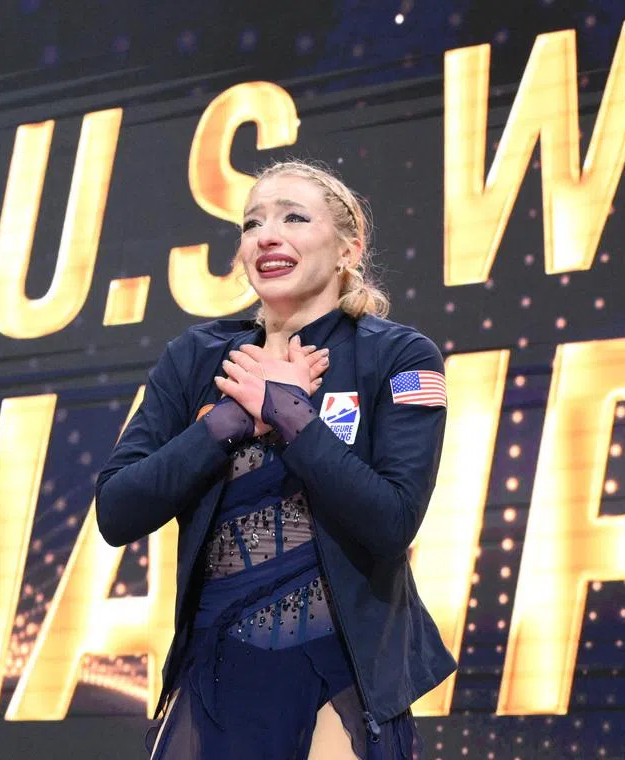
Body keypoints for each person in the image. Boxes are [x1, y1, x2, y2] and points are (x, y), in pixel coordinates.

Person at [95, 159, 455, 759]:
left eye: (293, 217)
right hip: (217, 675)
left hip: (342, 673)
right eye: (252, 223)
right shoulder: (197, 358)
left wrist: (289, 414)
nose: (266, 235)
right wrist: (230, 422)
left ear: (348, 248)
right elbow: (118, 509)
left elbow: (391, 522)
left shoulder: (398, 356)